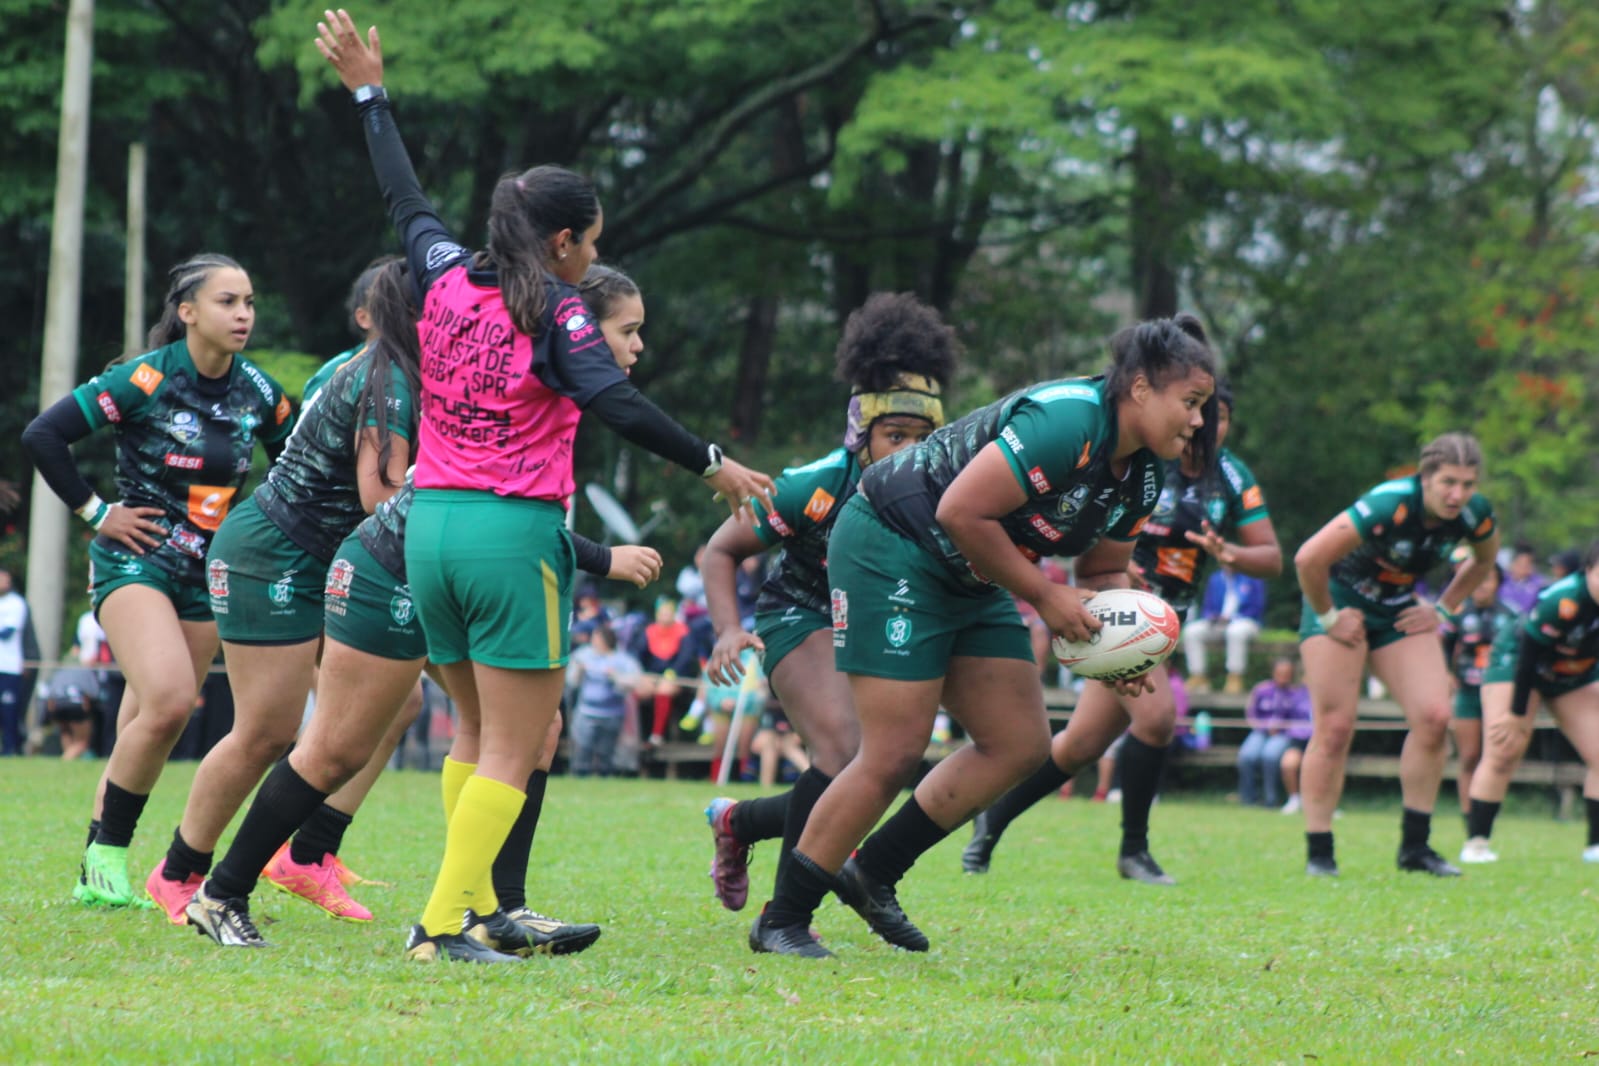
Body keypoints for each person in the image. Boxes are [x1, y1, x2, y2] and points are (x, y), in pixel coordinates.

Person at [179, 263, 666, 951]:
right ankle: (220, 890)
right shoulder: (500, 387)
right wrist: (603, 554)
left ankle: (494, 911)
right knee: (333, 748)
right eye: (628, 331)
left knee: (527, 729)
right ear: (577, 332)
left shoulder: (541, 390)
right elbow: (461, 506)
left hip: (430, 570)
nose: (636, 346)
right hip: (387, 568)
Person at [752, 314, 1219, 958]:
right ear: (1140, 389)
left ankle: (874, 871)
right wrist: (1046, 596)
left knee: (1020, 743)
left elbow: (1103, 570)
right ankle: (782, 919)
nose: (1198, 421)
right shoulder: (1069, 421)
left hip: (972, 568)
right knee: (892, 750)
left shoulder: (1143, 475)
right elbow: (959, 510)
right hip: (892, 541)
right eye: (1190, 403)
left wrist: (1118, 652)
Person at [144, 258, 419, 925]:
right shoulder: (389, 375)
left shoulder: (384, 368)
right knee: (267, 729)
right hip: (276, 552)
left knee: (398, 702)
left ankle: (309, 853)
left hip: (328, 555)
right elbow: (379, 494)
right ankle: (178, 870)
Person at [22, 253, 293, 907]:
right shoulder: (144, 379)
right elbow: (44, 435)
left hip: (207, 575)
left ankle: (99, 876)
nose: (243, 315)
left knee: (152, 717)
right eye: (228, 302)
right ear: (188, 312)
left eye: (249, 301)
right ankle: (106, 855)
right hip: (135, 561)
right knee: (171, 700)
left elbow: (296, 473)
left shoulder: (258, 390)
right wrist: (97, 512)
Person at [693, 291, 955, 916]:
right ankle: (786, 917)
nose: (908, 452)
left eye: (922, 437)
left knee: (875, 765)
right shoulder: (816, 484)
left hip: (870, 620)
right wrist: (728, 630)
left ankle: (740, 823)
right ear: (859, 434)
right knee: (841, 752)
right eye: (894, 435)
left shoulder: (946, 487)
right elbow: (719, 551)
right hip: (801, 612)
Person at [963, 381, 1280, 886]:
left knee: (1079, 746)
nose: (1202, 425)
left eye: (1216, 416)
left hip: (1167, 625)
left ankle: (992, 819)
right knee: (1156, 719)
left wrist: (1231, 554)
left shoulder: (1232, 477)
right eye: (1196, 409)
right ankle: (1135, 850)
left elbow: (1271, 557)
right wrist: (1116, 577)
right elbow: (1090, 530)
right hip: (1123, 614)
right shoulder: (1152, 462)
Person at [1294, 432, 1499, 878]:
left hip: (1398, 609)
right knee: (1334, 727)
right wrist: (1329, 618)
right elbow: (1309, 559)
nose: (1457, 494)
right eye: (1447, 482)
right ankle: (1320, 852)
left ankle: (1415, 848)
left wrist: (1442, 609)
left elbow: (1484, 562)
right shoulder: (1389, 504)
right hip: (1338, 602)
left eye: (1467, 483)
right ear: (1424, 478)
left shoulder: (1474, 514)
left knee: (1434, 717)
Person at [1460, 542, 1599, 865]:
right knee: (1505, 747)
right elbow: (1529, 654)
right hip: (1519, 662)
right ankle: (1476, 843)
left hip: (1573, 671)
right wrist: (1516, 712)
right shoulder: (1563, 599)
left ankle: (1595, 846)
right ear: (1589, 570)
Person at [1440, 560, 1507, 824]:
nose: (1483, 586)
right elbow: (1444, 646)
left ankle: (1486, 813)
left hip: (1498, 694)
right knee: (1468, 756)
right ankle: (1468, 813)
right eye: (1479, 579)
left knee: (1494, 756)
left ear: (1498, 583)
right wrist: (1446, 673)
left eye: (1489, 579)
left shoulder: (1509, 616)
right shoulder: (1458, 614)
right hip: (1467, 692)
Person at [1236, 658, 1312, 810]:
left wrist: (1283, 728)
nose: (1283, 676)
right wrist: (1263, 726)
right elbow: (1251, 713)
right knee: (1247, 755)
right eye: (1280, 673)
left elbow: (1299, 717)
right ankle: (1248, 797)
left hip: (1285, 733)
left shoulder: (1296, 693)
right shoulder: (1261, 689)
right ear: (1273, 672)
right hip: (1260, 731)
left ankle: (1271, 798)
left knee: (1270, 756)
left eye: (1287, 673)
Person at [567, 624, 640, 777]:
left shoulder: (622, 659)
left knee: (606, 750)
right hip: (586, 711)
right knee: (583, 747)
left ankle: (605, 776)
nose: (594, 641)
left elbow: (635, 682)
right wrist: (580, 671)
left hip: (612, 712)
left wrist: (615, 676)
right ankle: (580, 775)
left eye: (598, 638)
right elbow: (572, 682)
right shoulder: (582, 655)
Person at [1185, 564, 1268, 694]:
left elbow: (1257, 608)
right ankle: (1198, 676)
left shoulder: (1252, 578)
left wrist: (1233, 618)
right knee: (1192, 631)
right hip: (1219, 623)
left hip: (1246, 622)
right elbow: (1207, 607)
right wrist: (1212, 617)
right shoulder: (1216, 579)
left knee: (1235, 631)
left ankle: (1235, 676)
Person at [0, 568, 31, 755]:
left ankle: (12, 748)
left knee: (9, 710)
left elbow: (8, 632)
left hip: (9, 666)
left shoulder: (16, 604)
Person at [751, 702, 811, 787]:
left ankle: (813, 778)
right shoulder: (769, 711)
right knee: (770, 746)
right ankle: (766, 785)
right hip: (772, 741)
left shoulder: (797, 709)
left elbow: (798, 738)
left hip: (790, 741)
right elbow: (756, 746)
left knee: (789, 747)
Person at [1499, 543, 1545, 615]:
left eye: (1528, 564)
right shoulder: (1500, 579)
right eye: (1520, 564)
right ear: (1512, 564)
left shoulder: (1539, 584)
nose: (1524, 567)